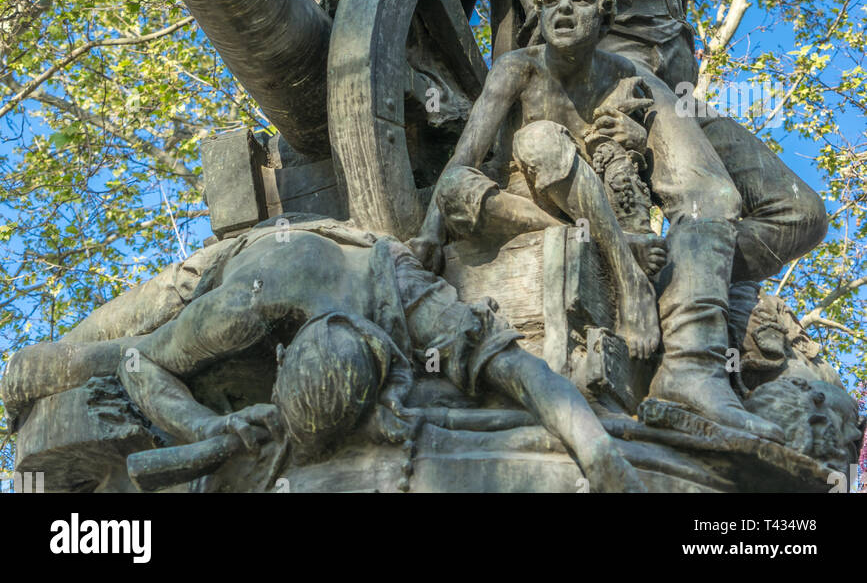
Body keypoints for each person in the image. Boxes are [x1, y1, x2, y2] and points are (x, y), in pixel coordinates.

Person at [251, 0, 826, 438]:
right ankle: (692, 369)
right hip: (597, 91)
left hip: (673, 95)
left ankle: (669, 295)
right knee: (707, 198)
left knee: (796, 213)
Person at [2, 222, 646, 494]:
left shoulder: (407, 296)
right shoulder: (244, 313)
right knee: (30, 374)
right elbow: (141, 366)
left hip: (347, 250)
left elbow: (520, 370)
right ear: (278, 365)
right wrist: (206, 427)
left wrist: (597, 450)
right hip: (221, 270)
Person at [427, 0, 666, 362]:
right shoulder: (517, 68)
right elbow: (465, 157)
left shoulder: (621, 76)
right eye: (552, 1)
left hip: (589, 202)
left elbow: (639, 167)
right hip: (517, 204)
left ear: (604, 18)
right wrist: (428, 235)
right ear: (539, 15)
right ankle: (617, 249)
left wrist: (639, 137)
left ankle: (630, 282)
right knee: (454, 186)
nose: (564, 9)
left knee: (538, 139)